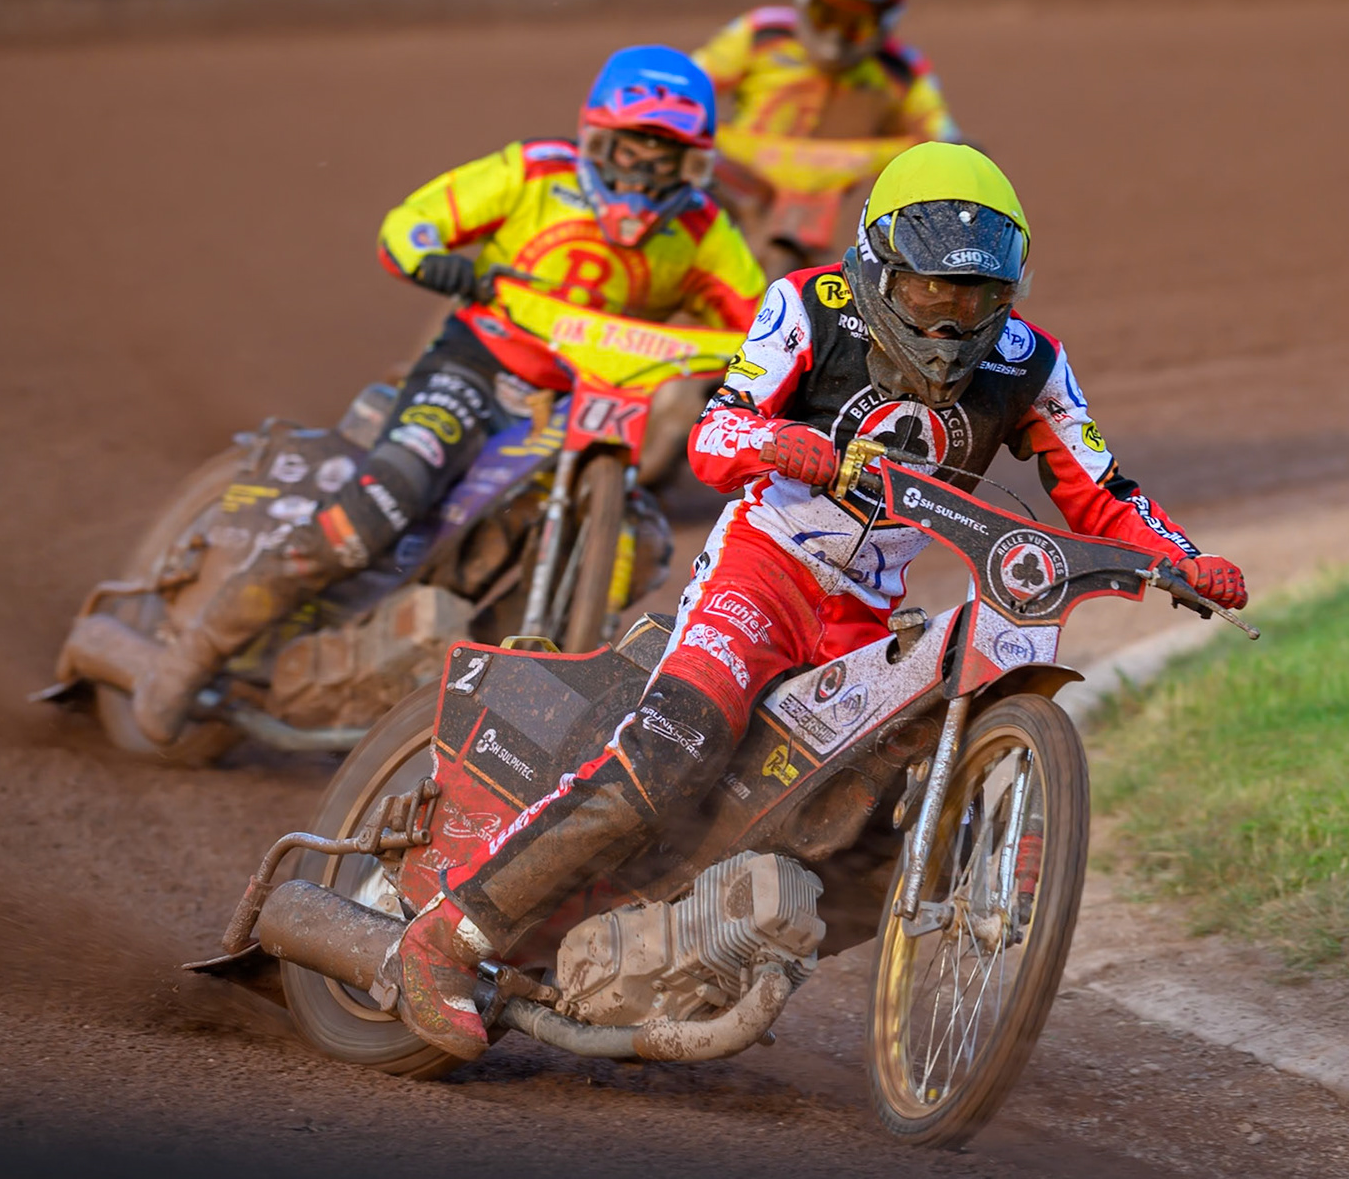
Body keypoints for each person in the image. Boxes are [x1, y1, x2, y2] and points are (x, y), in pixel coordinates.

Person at [384, 142, 1250, 1059]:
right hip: (763, 567)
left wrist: (1185, 560)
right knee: (675, 749)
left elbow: (1103, 492)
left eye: (979, 298)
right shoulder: (806, 304)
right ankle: (448, 936)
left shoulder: (1032, 363)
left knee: (857, 830)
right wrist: (784, 446)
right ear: (878, 266)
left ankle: (707, 953)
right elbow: (717, 433)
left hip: (864, 613)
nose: (956, 322)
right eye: (931, 293)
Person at [125, 45, 767, 746]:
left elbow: (762, 321)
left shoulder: (703, 230)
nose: (641, 172)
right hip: (478, 370)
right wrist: (445, 266)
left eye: (663, 156)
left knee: (635, 543)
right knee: (389, 496)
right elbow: (415, 223)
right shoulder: (532, 173)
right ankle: (192, 655)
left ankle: (483, 694)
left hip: (588, 402)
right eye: (629, 149)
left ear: (694, 165)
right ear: (594, 139)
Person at [691, 0, 960, 144]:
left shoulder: (901, 73)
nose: (835, 37)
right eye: (827, 15)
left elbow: (943, 135)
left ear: (887, 22)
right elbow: (687, 85)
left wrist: (957, 148)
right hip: (740, 193)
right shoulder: (762, 36)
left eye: (857, 24)